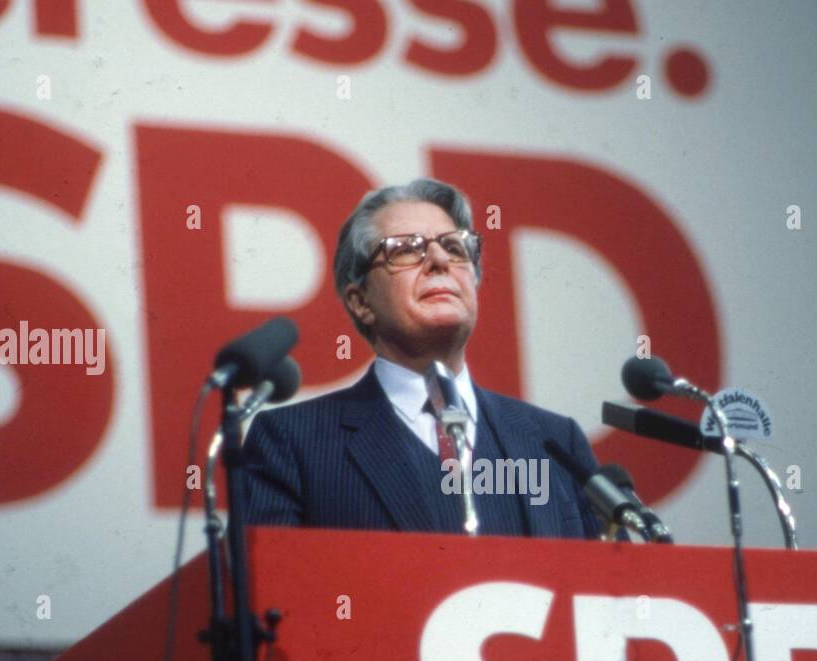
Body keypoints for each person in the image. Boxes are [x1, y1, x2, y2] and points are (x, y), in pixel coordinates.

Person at [243, 178, 611, 539]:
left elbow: (607, 592)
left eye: (454, 247)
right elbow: (275, 588)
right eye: (406, 249)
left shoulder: (557, 444)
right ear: (361, 301)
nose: (439, 260)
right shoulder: (294, 443)